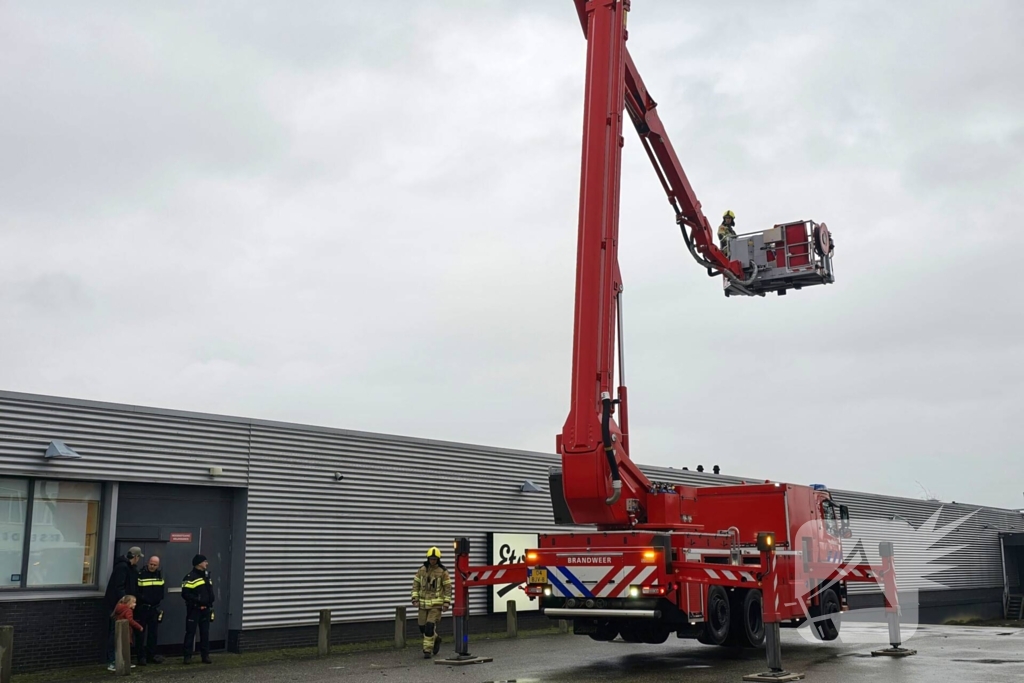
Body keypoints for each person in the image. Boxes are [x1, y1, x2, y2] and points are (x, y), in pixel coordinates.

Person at [104, 547, 143, 671]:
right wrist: (126, 603)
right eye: (138, 557)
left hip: (121, 605)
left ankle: (122, 659)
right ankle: (112, 661)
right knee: (114, 632)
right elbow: (119, 587)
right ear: (135, 557)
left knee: (123, 632)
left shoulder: (129, 568)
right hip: (117, 606)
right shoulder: (123, 568)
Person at [410, 547, 452, 659]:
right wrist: (415, 598)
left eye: (434, 559)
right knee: (422, 627)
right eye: (431, 558)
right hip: (423, 605)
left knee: (429, 627)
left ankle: (427, 650)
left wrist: (446, 602)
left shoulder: (443, 572)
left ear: (438, 559)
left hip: (435, 605)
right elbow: (415, 585)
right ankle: (436, 638)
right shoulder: (421, 570)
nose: (432, 560)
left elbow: (448, 588)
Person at [181, 554, 215, 665]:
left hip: (206, 610)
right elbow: (185, 594)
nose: (207, 563)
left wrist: (210, 602)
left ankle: (205, 655)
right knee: (190, 633)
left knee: (205, 633)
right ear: (199, 563)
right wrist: (198, 601)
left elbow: (209, 592)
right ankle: (187, 657)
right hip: (194, 610)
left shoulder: (206, 576)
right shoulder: (189, 577)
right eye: (205, 561)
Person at [135, 556, 166, 665]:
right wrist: (144, 599)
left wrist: (157, 600)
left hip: (154, 608)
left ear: (158, 565)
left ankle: (150, 656)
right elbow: (136, 591)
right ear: (148, 563)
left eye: (155, 565)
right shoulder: (141, 575)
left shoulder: (159, 576)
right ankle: (141, 657)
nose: (152, 566)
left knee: (153, 634)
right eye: (151, 564)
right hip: (142, 608)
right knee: (140, 634)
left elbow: (162, 591)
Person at [111, 594, 145, 668]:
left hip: (119, 631)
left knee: (119, 647)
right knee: (126, 647)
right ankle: (125, 663)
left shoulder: (118, 608)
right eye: (134, 602)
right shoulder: (128, 610)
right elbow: (130, 620)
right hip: (126, 632)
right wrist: (139, 627)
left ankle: (115, 663)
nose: (135, 604)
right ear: (128, 603)